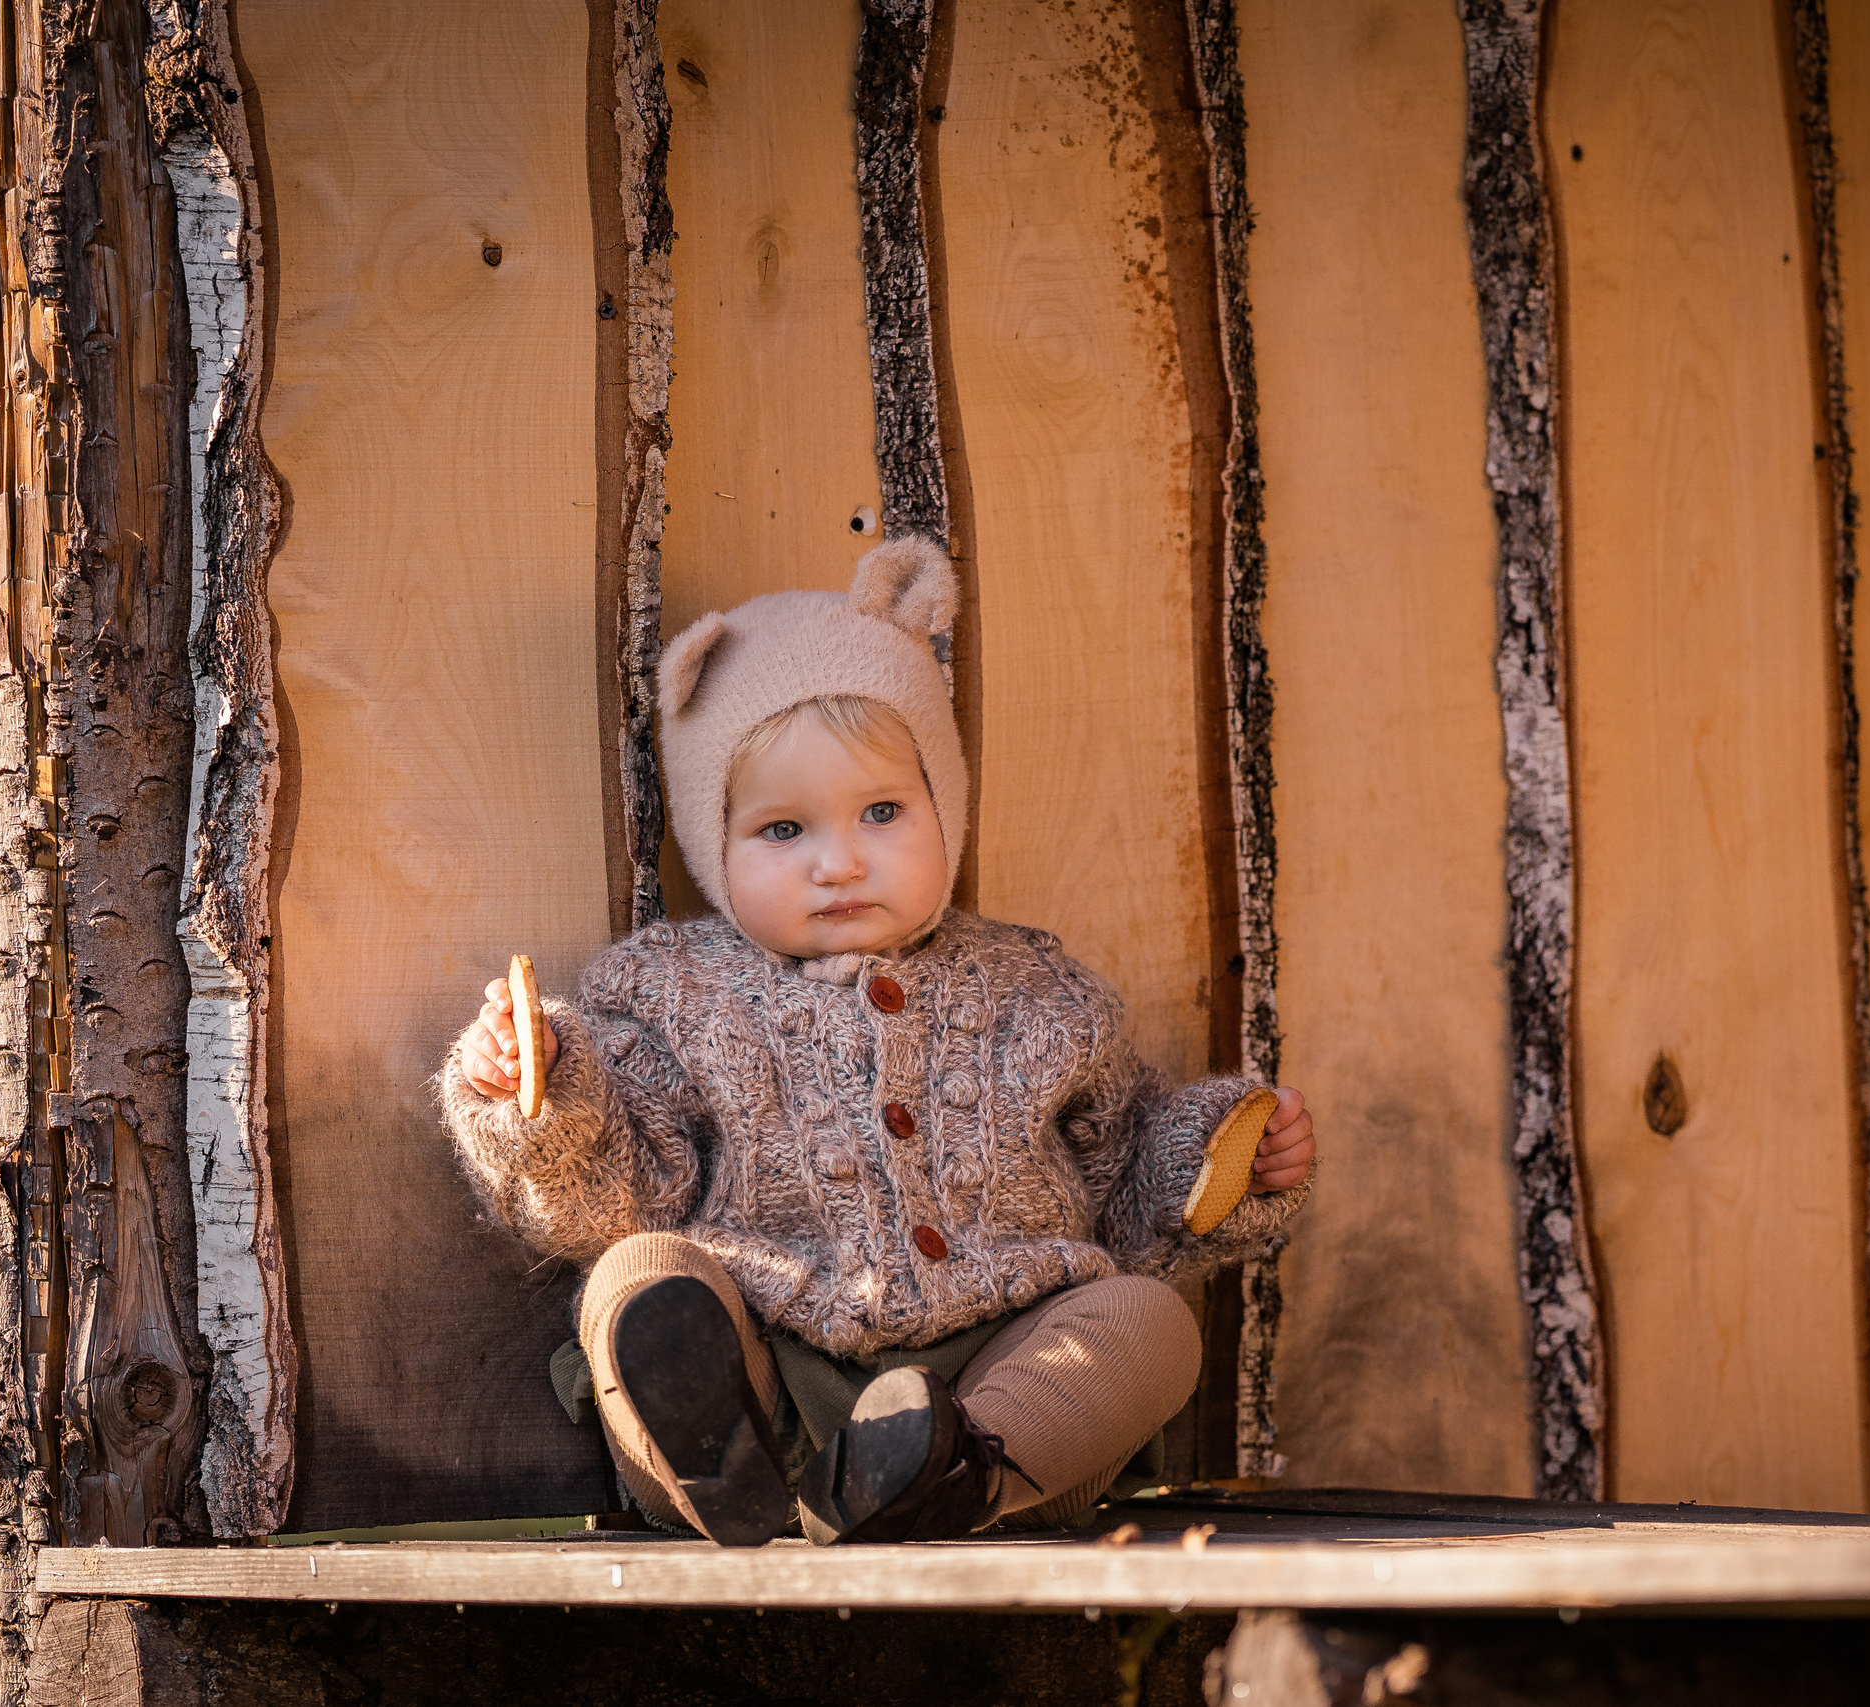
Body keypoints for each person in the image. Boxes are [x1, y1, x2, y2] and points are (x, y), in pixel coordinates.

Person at [438, 535, 1316, 1547]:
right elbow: (609, 1195)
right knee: (636, 1272)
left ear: (948, 803)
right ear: (711, 843)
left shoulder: (1041, 991)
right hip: (768, 1365)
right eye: (783, 832)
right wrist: (528, 1093)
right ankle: (714, 1464)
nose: (839, 862)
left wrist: (1220, 1159)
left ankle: (946, 1476)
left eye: (884, 811)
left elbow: (1123, 1181)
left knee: (1149, 1325)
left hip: (995, 1374)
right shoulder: (669, 992)